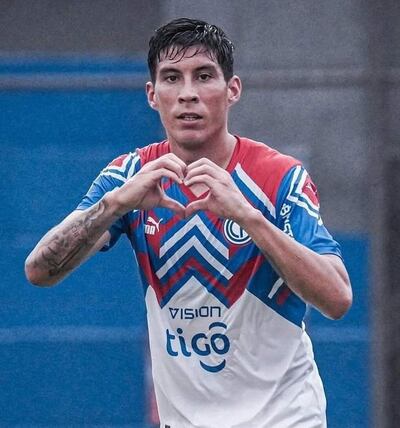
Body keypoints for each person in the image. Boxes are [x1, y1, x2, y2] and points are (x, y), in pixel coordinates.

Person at [25, 17, 352, 428]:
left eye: (204, 76)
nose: (188, 94)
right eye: (171, 78)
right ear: (152, 95)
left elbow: (337, 298)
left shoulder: (280, 177)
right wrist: (115, 204)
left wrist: (249, 217)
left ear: (233, 90)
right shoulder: (129, 177)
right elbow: (39, 270)